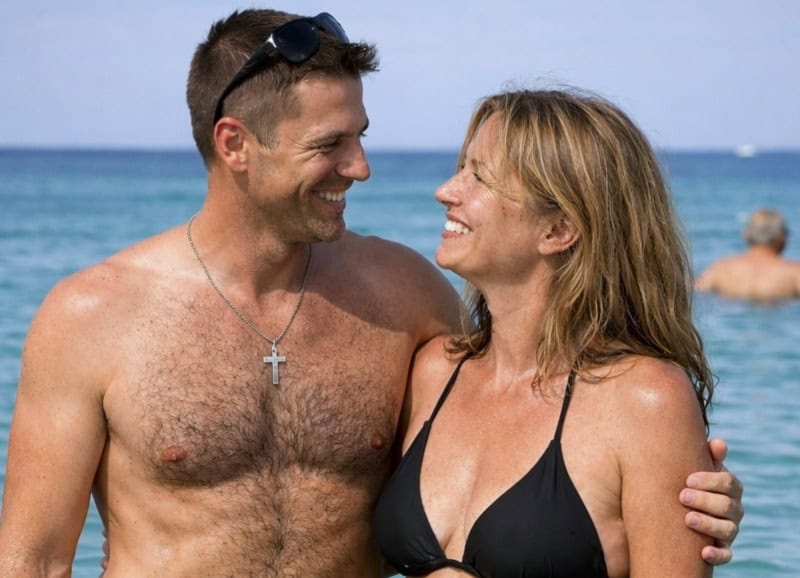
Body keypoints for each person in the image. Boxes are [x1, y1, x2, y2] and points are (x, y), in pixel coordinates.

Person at [0, 9, 742, 577]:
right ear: (235, 145)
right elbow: (30, 561)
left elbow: (540, 448)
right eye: (329, 145)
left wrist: (676, 497)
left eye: (360, 136)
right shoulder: (92, 317)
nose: (361, 168)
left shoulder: (405, 300)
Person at [374, 88, 735, 577]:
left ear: (558, 230)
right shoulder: (434, 371)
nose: (446, 191)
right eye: (461, 168)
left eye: (479, 176)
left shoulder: (646, 402)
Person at [696, 208, 800, 301]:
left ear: (745, 235)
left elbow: (694, 288)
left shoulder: (719, 269)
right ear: (782, 239)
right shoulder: (795, 273)